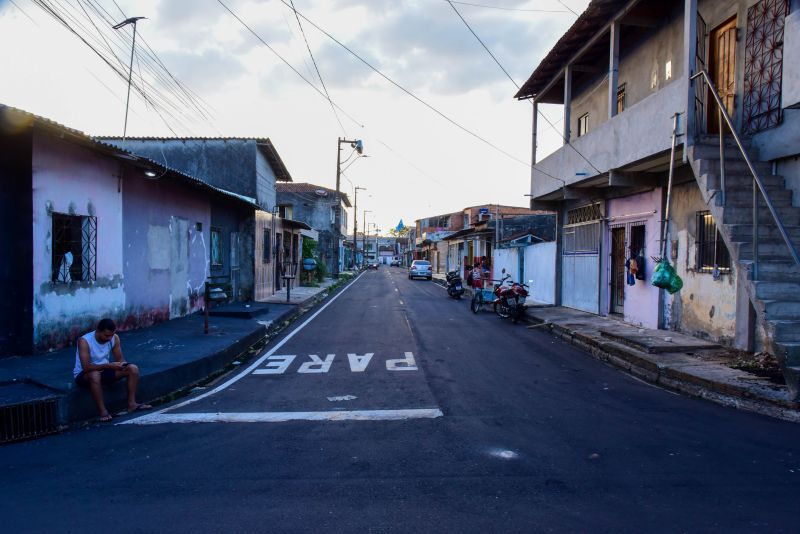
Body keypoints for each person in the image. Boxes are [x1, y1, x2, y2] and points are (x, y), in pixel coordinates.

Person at [73, 318, 151, 422]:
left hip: (105, 370)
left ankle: (132, 404)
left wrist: (122, 365)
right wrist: (109, 366)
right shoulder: (84, 341)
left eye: (111, 335)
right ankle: (103, 411)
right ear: (98, 331)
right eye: (106, 335)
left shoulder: (114, 338)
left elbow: (120, 359)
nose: (109, 338)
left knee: (133, 369)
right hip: (85, 374)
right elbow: (86, 367)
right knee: (95, 375)